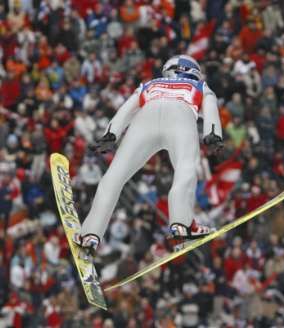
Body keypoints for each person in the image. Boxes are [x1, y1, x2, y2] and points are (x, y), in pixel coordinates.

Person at [73, 55, 224, 252]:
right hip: (181, 116)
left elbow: (126, 109)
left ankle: (89, 234)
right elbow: (211, 108)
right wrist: (213, 133)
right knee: (185, 169)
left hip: (145, 118)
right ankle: (181, 223)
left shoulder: (149, 83)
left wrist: (111, 133)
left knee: (114, 177)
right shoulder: (200, 86)